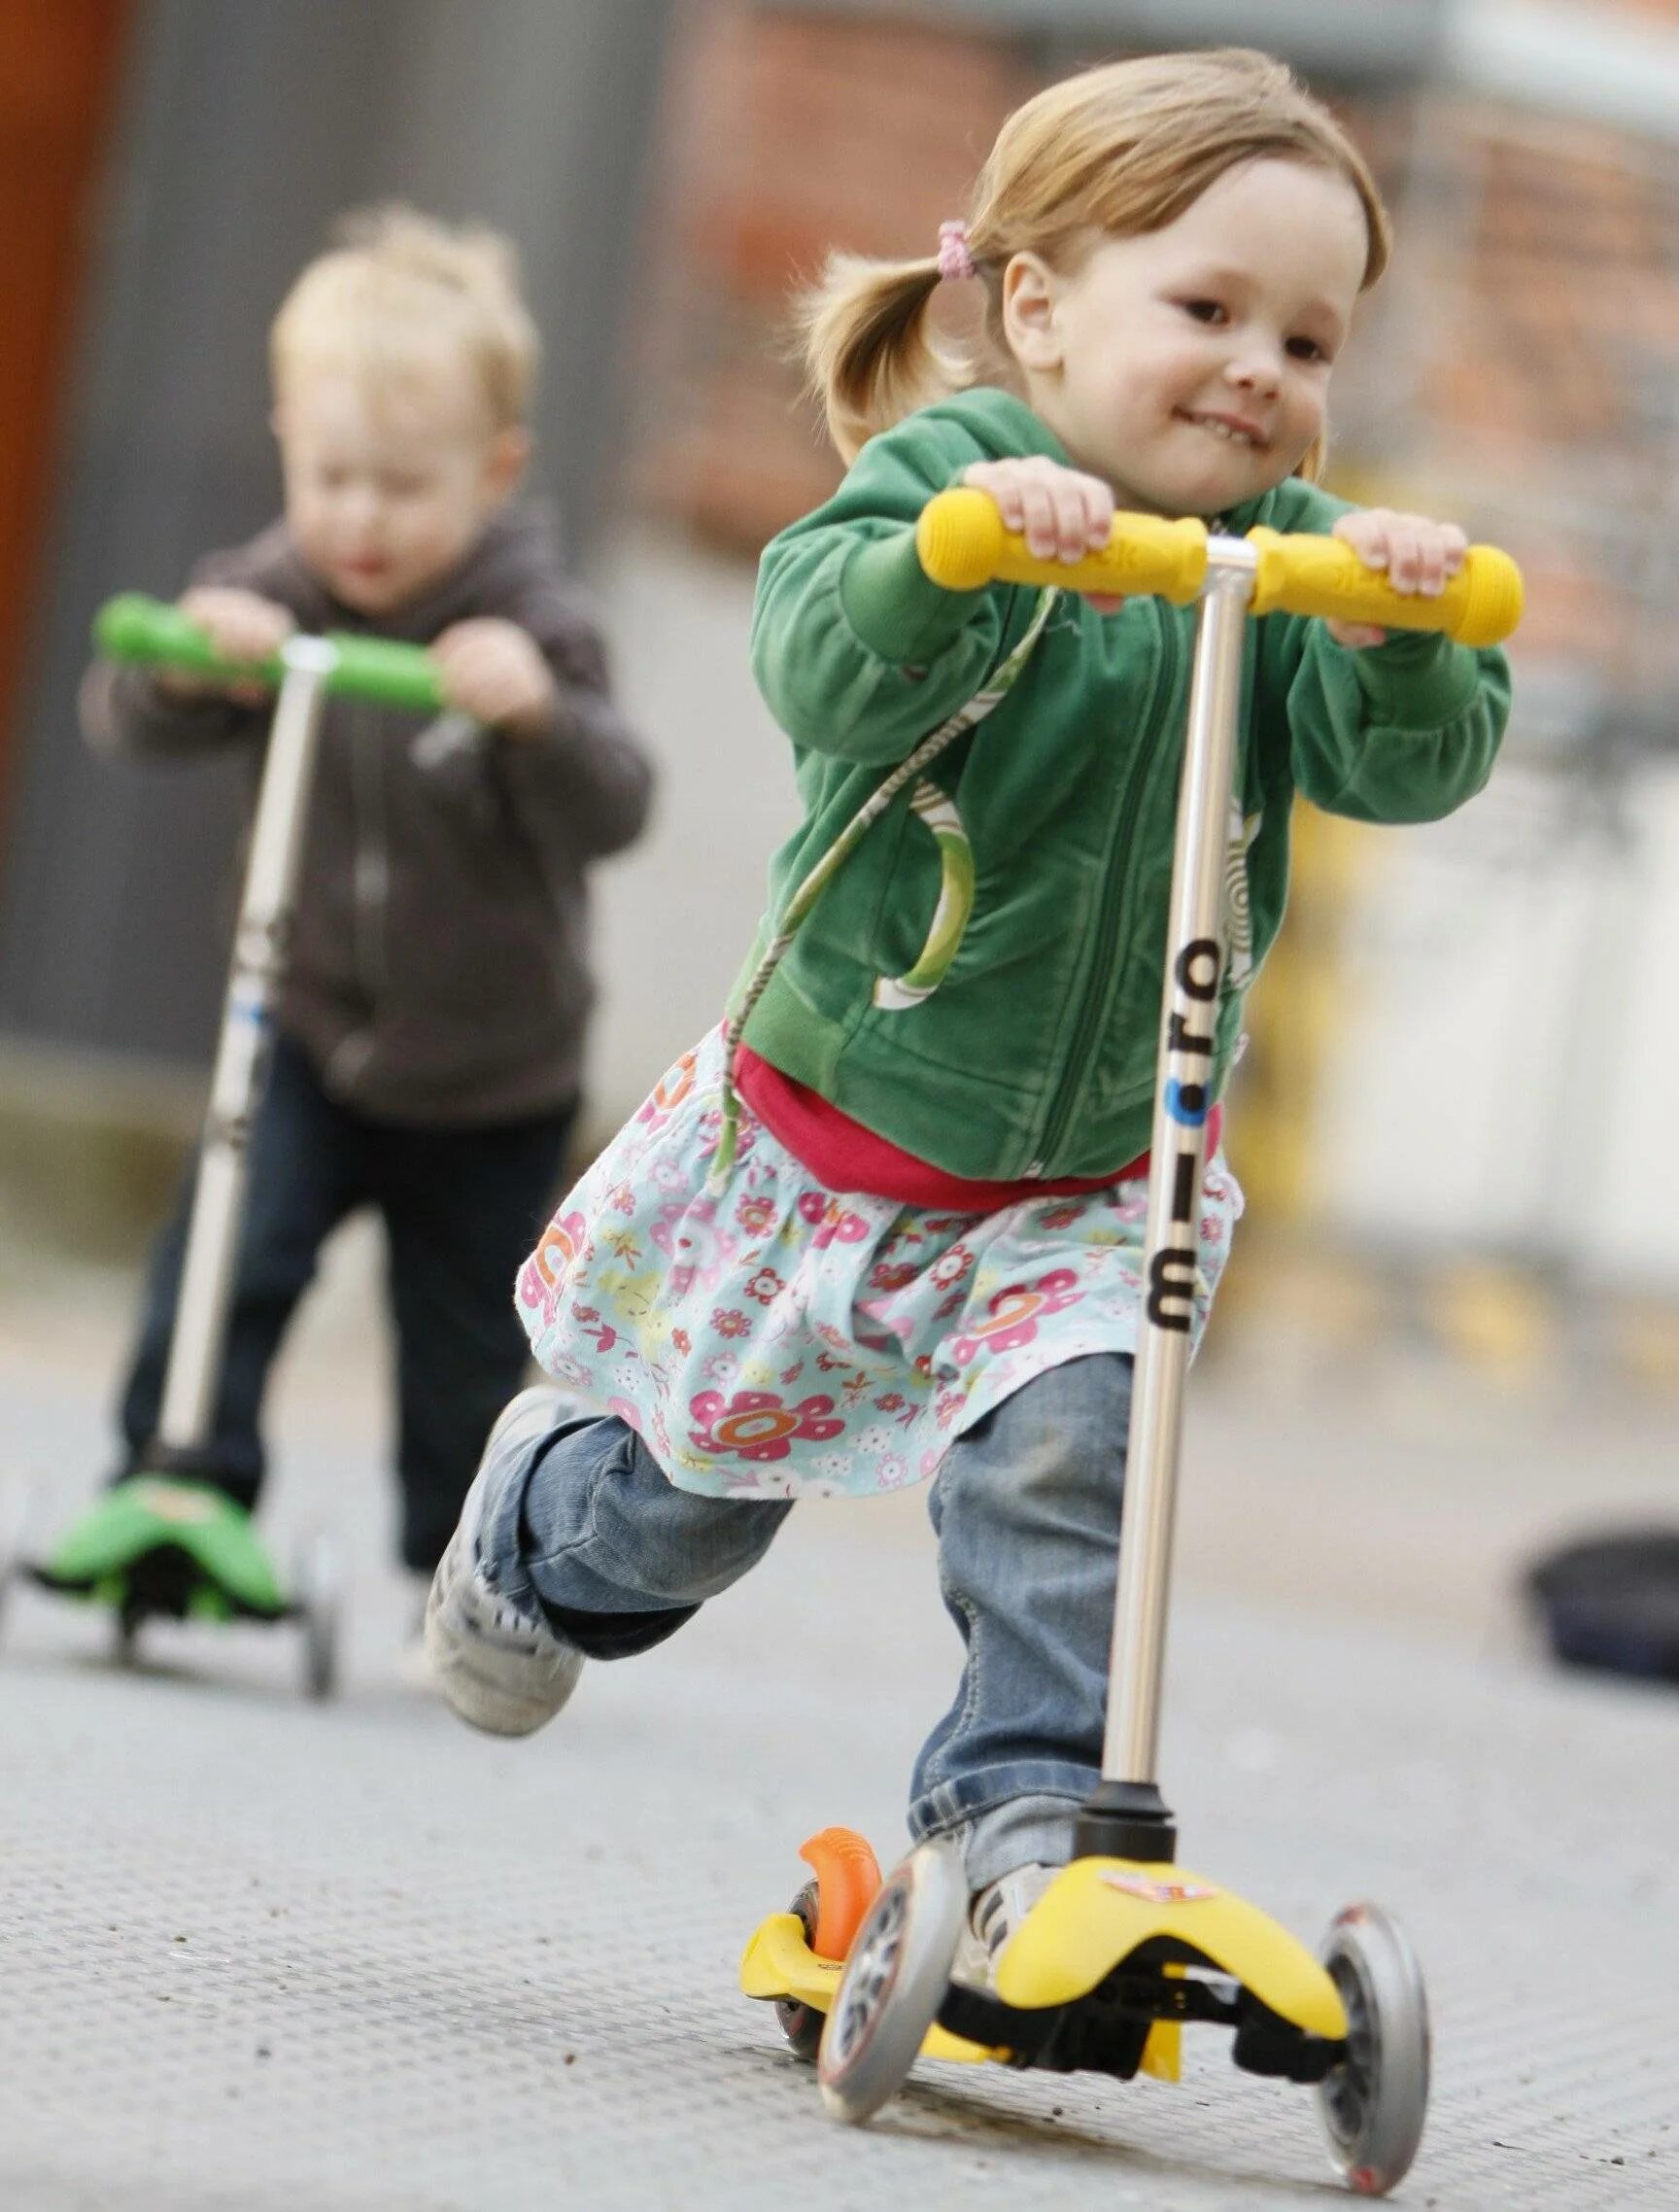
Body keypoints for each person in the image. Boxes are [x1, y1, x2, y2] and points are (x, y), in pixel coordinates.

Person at [425, 50, 1509, 1955]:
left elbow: (1404, 763)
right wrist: (952, 551)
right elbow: (823, 662)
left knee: (1076, 1462)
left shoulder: (1284, 557)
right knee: (689, 1510)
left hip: (1096, 1177)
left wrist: (1396, 636)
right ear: (1037, 305)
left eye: (1310, 338)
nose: (1262, 369)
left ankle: (1025, 1832)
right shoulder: (946, 482)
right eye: (1206, 310)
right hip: (838, 1149)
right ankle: (543, 1524)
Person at [82, 206, 653, 1615]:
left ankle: (456, 1566)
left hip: (491, 1074)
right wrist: (199, 668)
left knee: (460, 1342)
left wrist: (537, 716)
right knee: (226, 1258)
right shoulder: (271, 589)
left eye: (403, 487)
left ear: (496, 470)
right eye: (331, 476)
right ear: (289, 445)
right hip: (304, 1034)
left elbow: (619, 802)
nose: (359, 519)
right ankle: (177, 1489)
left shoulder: (529, 616)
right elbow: (125, 716)